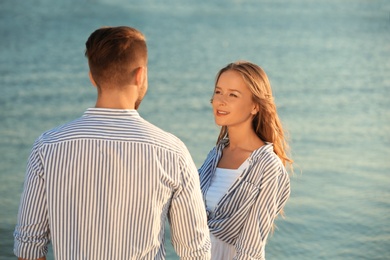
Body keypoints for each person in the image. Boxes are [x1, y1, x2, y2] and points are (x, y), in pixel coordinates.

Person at [14, 26, 211, 260]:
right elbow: (195, 252)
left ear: (92, 77)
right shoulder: (172, 151)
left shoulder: (47, 146)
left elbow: (29, 247)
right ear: (140, 75)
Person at [198, 61, 292, 259]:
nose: (221, 101)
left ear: (255, 106)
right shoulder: (215, 155)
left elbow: (251, 247)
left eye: (233, 95)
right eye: (218, 92)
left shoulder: (267, 167)